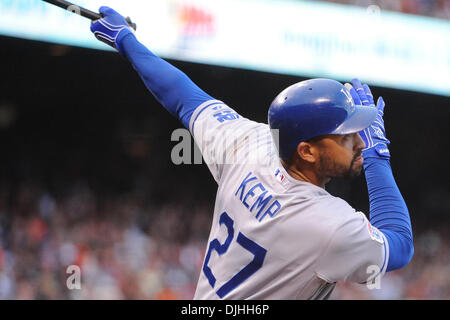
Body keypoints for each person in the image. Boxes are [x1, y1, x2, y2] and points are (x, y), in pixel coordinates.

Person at [90, 7, 414, 299]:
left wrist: (126, 41)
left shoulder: (250, 143)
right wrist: (377, 157)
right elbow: (399, 243)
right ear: (307, 151)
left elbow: (184, 97)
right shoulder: (328, 224)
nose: (360, 142)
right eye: (346, 136)